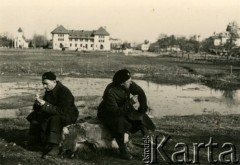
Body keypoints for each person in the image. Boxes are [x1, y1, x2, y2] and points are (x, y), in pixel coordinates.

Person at [97, 69, 155, 160]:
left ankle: (148, 147)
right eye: (128, 81)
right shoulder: (110, 92)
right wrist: (130, 103)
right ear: (121, 83)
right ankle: (123, 151)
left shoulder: (128, 84)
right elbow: (115, 112)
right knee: (119, 123)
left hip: (124, 109)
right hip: (108, 114)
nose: (131, 82)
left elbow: (140, 92)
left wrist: (143, 108)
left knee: (141, 118)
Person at [26, 71, 79, 158]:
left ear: (54, 81)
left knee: (55, 119)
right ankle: (36, 140)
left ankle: (55, 147)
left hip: (68, 115)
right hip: (57, 112)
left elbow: (62, 111)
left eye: (46, 84)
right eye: (43, 84)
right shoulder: (50, 90)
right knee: (35, 115)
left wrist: (44, 104)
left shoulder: (64, 92)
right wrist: (38, 104)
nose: (44, 86)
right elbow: (46, 107)